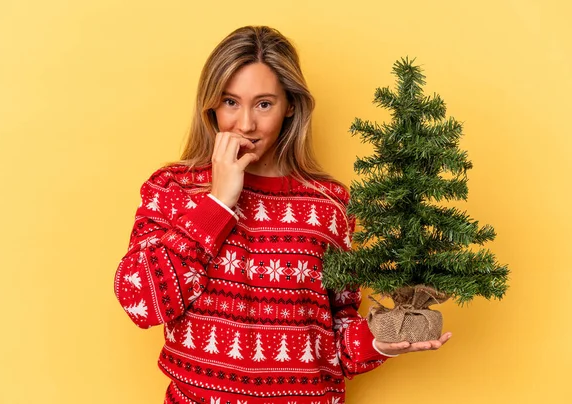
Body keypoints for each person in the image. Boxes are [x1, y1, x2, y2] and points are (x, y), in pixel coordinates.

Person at [114, 25, 451, 404]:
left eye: (263, 104)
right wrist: (218, 202)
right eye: (230, 102)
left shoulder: (329, 204)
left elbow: (335, 333)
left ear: (290, 105)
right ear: (210, 104)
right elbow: (139, 300)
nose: (245, 124)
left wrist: (383, 341)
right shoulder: (173, 189)